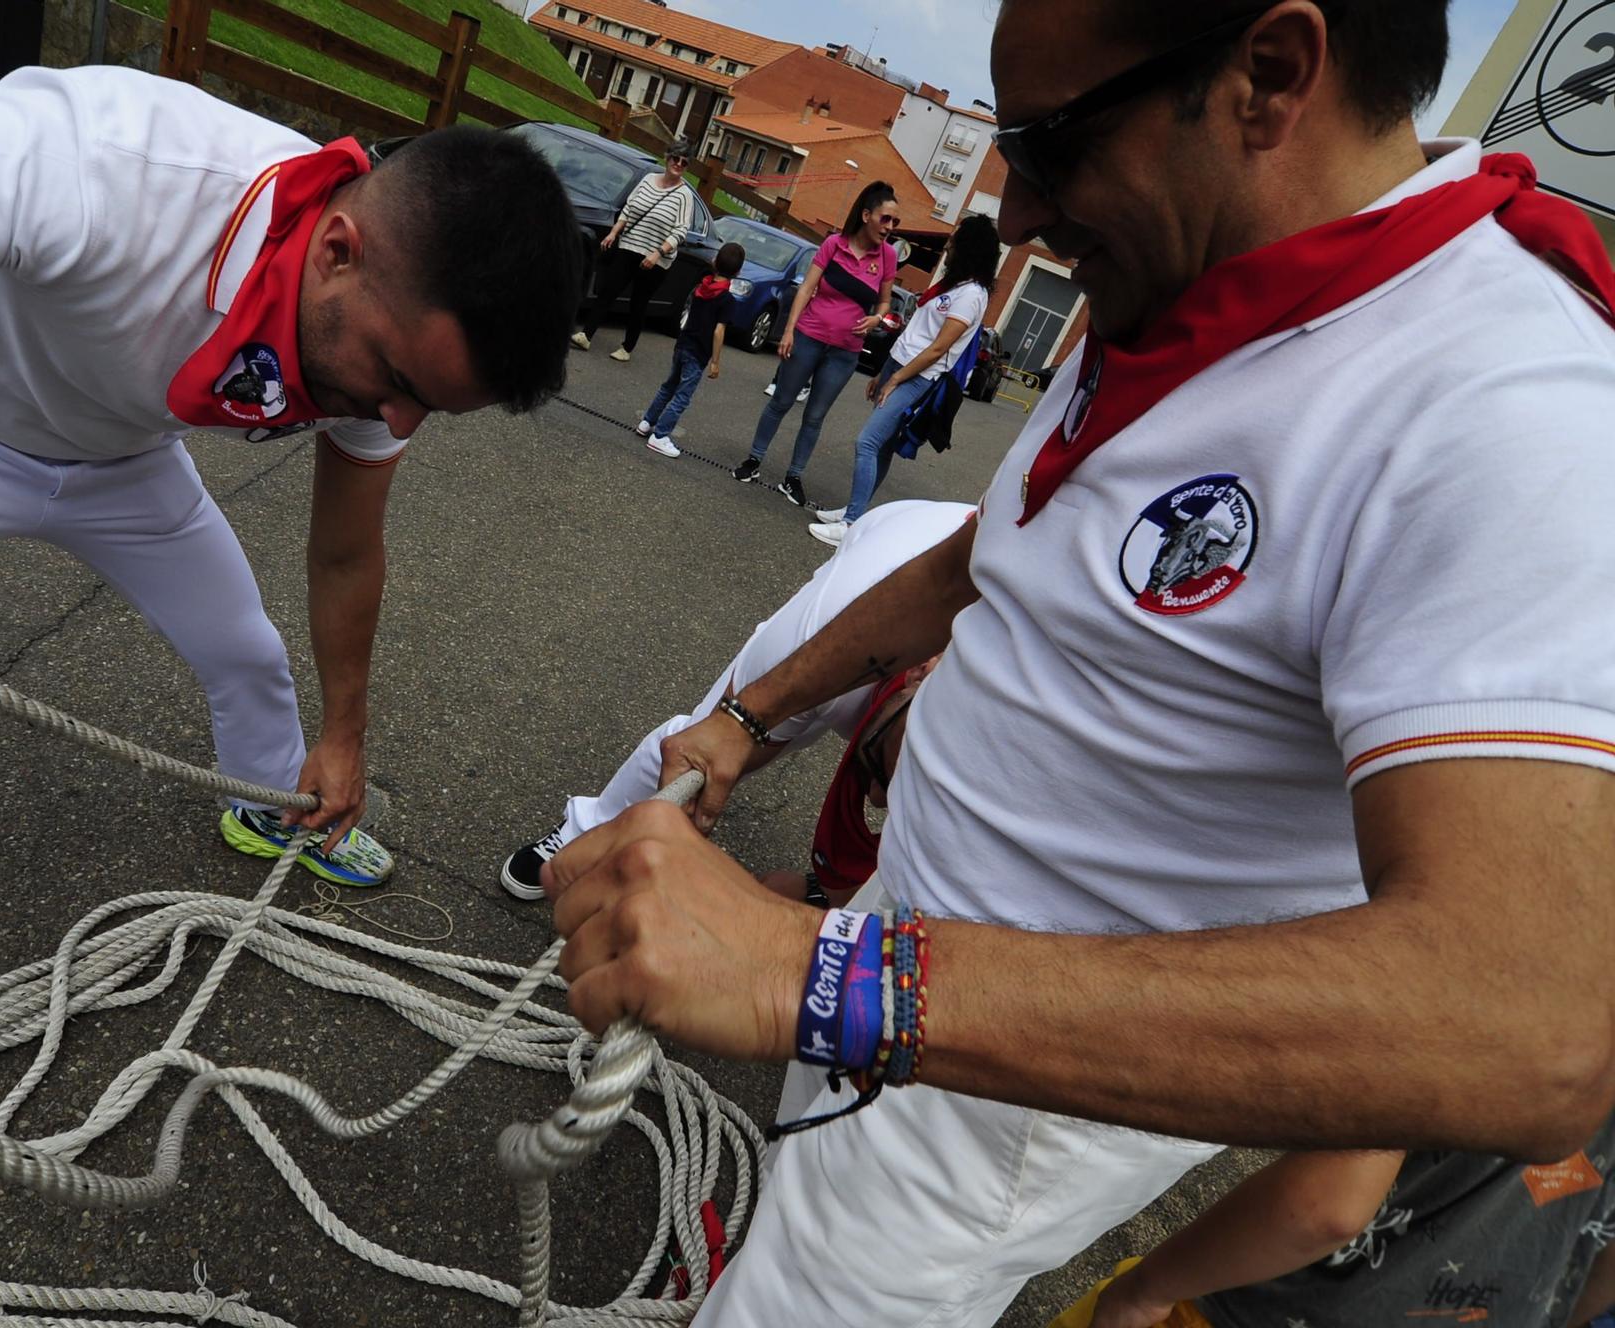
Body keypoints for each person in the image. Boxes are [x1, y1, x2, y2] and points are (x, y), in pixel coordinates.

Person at [540, 2, 1615, 1326]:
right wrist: (753, 721)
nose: (1025, 213)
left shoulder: (1507, 411)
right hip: (900, 965)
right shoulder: (1195, 279)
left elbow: (1529, 1023)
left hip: (993, 1104)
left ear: (1268, 77)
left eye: (1051, 147)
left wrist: (820, 976)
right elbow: (994, 555)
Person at [0, 64, 580, 1323]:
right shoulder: (101, 166)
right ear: (337, 245)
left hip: (117, 457)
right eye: (391, 375)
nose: (389, 417)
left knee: (243, 651)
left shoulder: (384, 335)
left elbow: (345, 548)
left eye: (421, 407)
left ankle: (272, 804)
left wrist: (344, 735)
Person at [498, 500, 970, 901]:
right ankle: (586, 827)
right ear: (921, 672)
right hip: (891, 548)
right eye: (887, 775)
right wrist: (740, 725)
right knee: (704, 749)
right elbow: (705, 741)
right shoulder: (821, 634)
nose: (877, 798)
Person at [1053, 1111, 1615, 1328]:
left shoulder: (1543, 971)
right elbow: (1594, 1283)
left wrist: (1147, 1289)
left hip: (1273, 1309)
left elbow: (1325, 1210)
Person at [808, 215, 1001, 546]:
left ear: (970, 248)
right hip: (900, 365)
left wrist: (895, 378)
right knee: (882, 445)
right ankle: (854, 513)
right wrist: (884, 371)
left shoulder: (971, 295)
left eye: (956, 240)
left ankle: (852, 523)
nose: (950, 245)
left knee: (867, 442)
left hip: (917, 377)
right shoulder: (953, 286)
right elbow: (915, 333)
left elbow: (939, 348)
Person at [730, 183, 902, 507]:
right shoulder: (834, 245)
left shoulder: (888, 257)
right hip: (808, 337)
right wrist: (790, 330)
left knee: (815, 416)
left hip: (845, 352)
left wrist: (877, 320)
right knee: (780, 401)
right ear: (866, 215)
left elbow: (884, 303)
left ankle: (793, 477)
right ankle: (753, 460)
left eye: (895, 222)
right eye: (885, 219)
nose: (890, 228)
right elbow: (807, 288)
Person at [571, 141, 698, 362]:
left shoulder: (684, 195)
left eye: (684, 163)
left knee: (638, 303)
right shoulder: (648, 180)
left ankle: (627, 347)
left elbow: (681, 231)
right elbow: (629, 208)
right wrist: (613, 232)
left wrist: (658, 253)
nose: (678, 164)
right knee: (609, 290)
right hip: (630, 244)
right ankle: (586, 334)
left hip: (656, 259)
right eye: (675, 159)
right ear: (667, 157)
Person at [633, 243, 745, 459]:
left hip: (683, 344)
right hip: (698, 352)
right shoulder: (727, 300)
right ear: (738, 272)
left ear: (714, 262)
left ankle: (647, 422)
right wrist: (715, 361)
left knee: (669, 386)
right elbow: (718, 331)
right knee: (682, 396)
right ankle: (660, 435)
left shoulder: (701, 288)